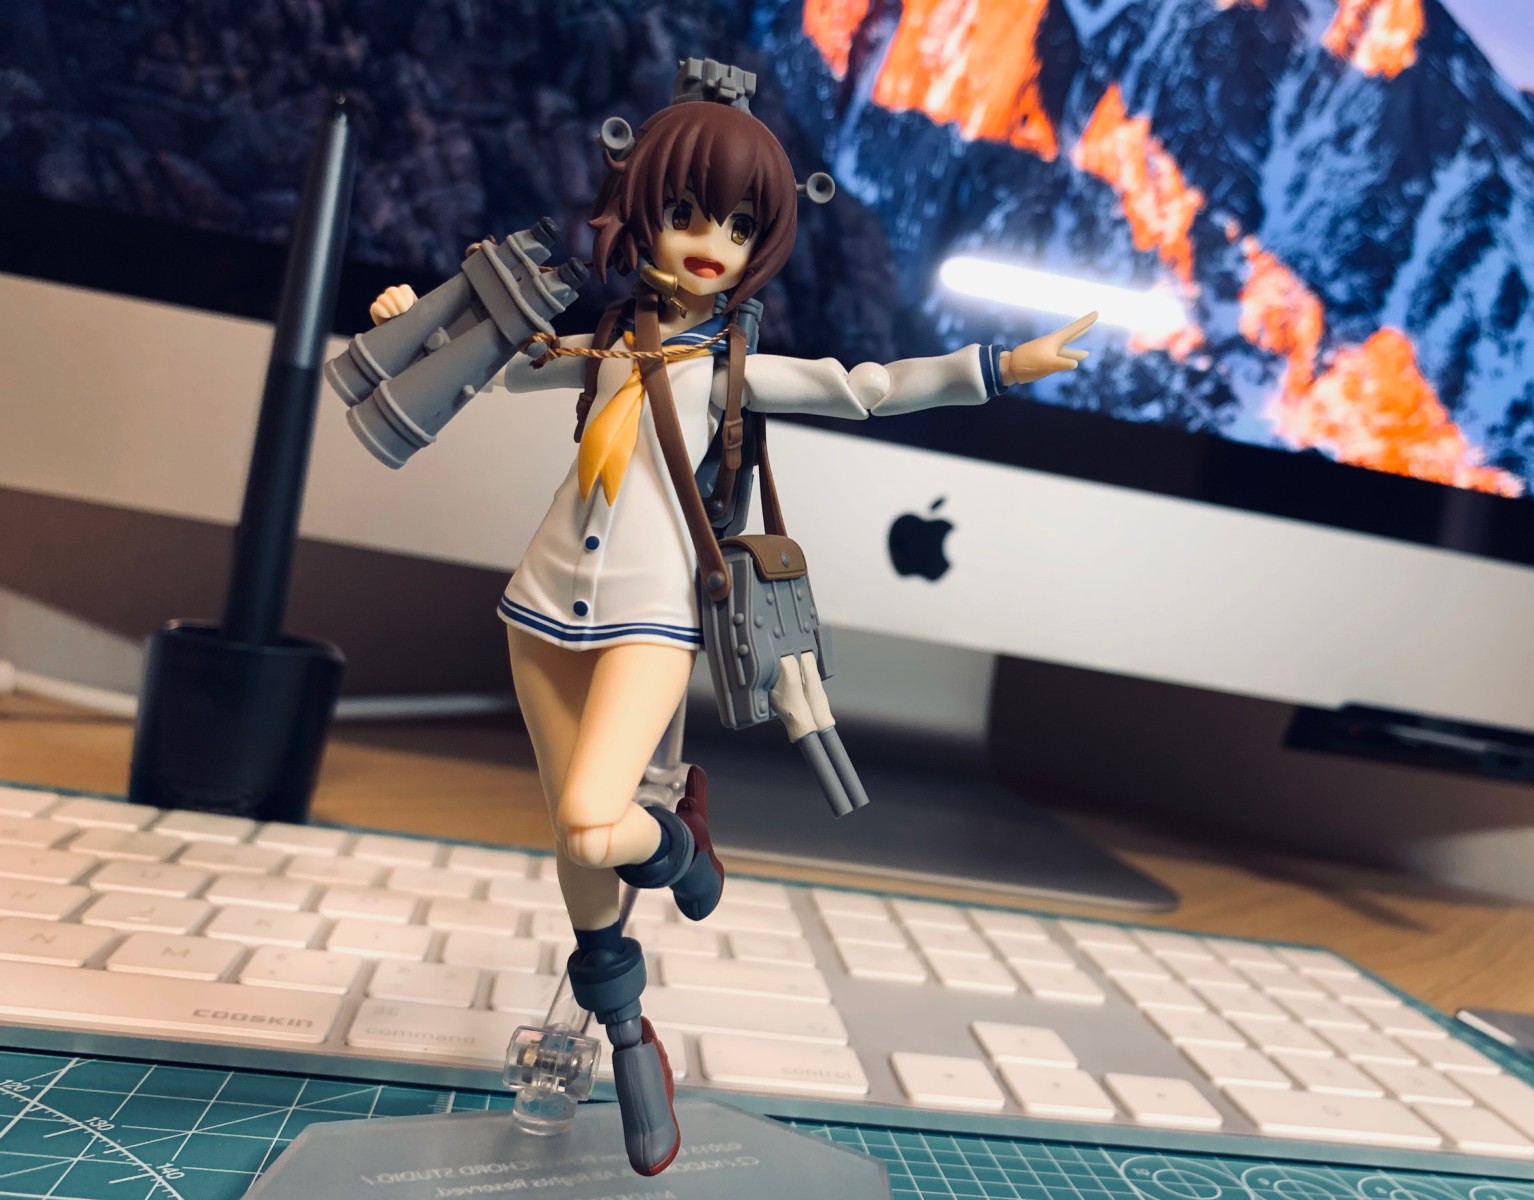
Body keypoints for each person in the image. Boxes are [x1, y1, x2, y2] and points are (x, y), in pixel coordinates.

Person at [367, 61, 1094, 1176]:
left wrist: (998, 367)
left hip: (648, 624)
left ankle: (679, 845)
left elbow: (865, 386)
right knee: (573, 844)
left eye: (741, 224)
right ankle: (627, 1034)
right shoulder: (606, 346)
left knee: (594, 823)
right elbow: (496, 371)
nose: (712, 241)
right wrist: (418, 323)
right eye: (688, 212)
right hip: (538, 610)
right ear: (641, 210)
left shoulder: (729, 370)